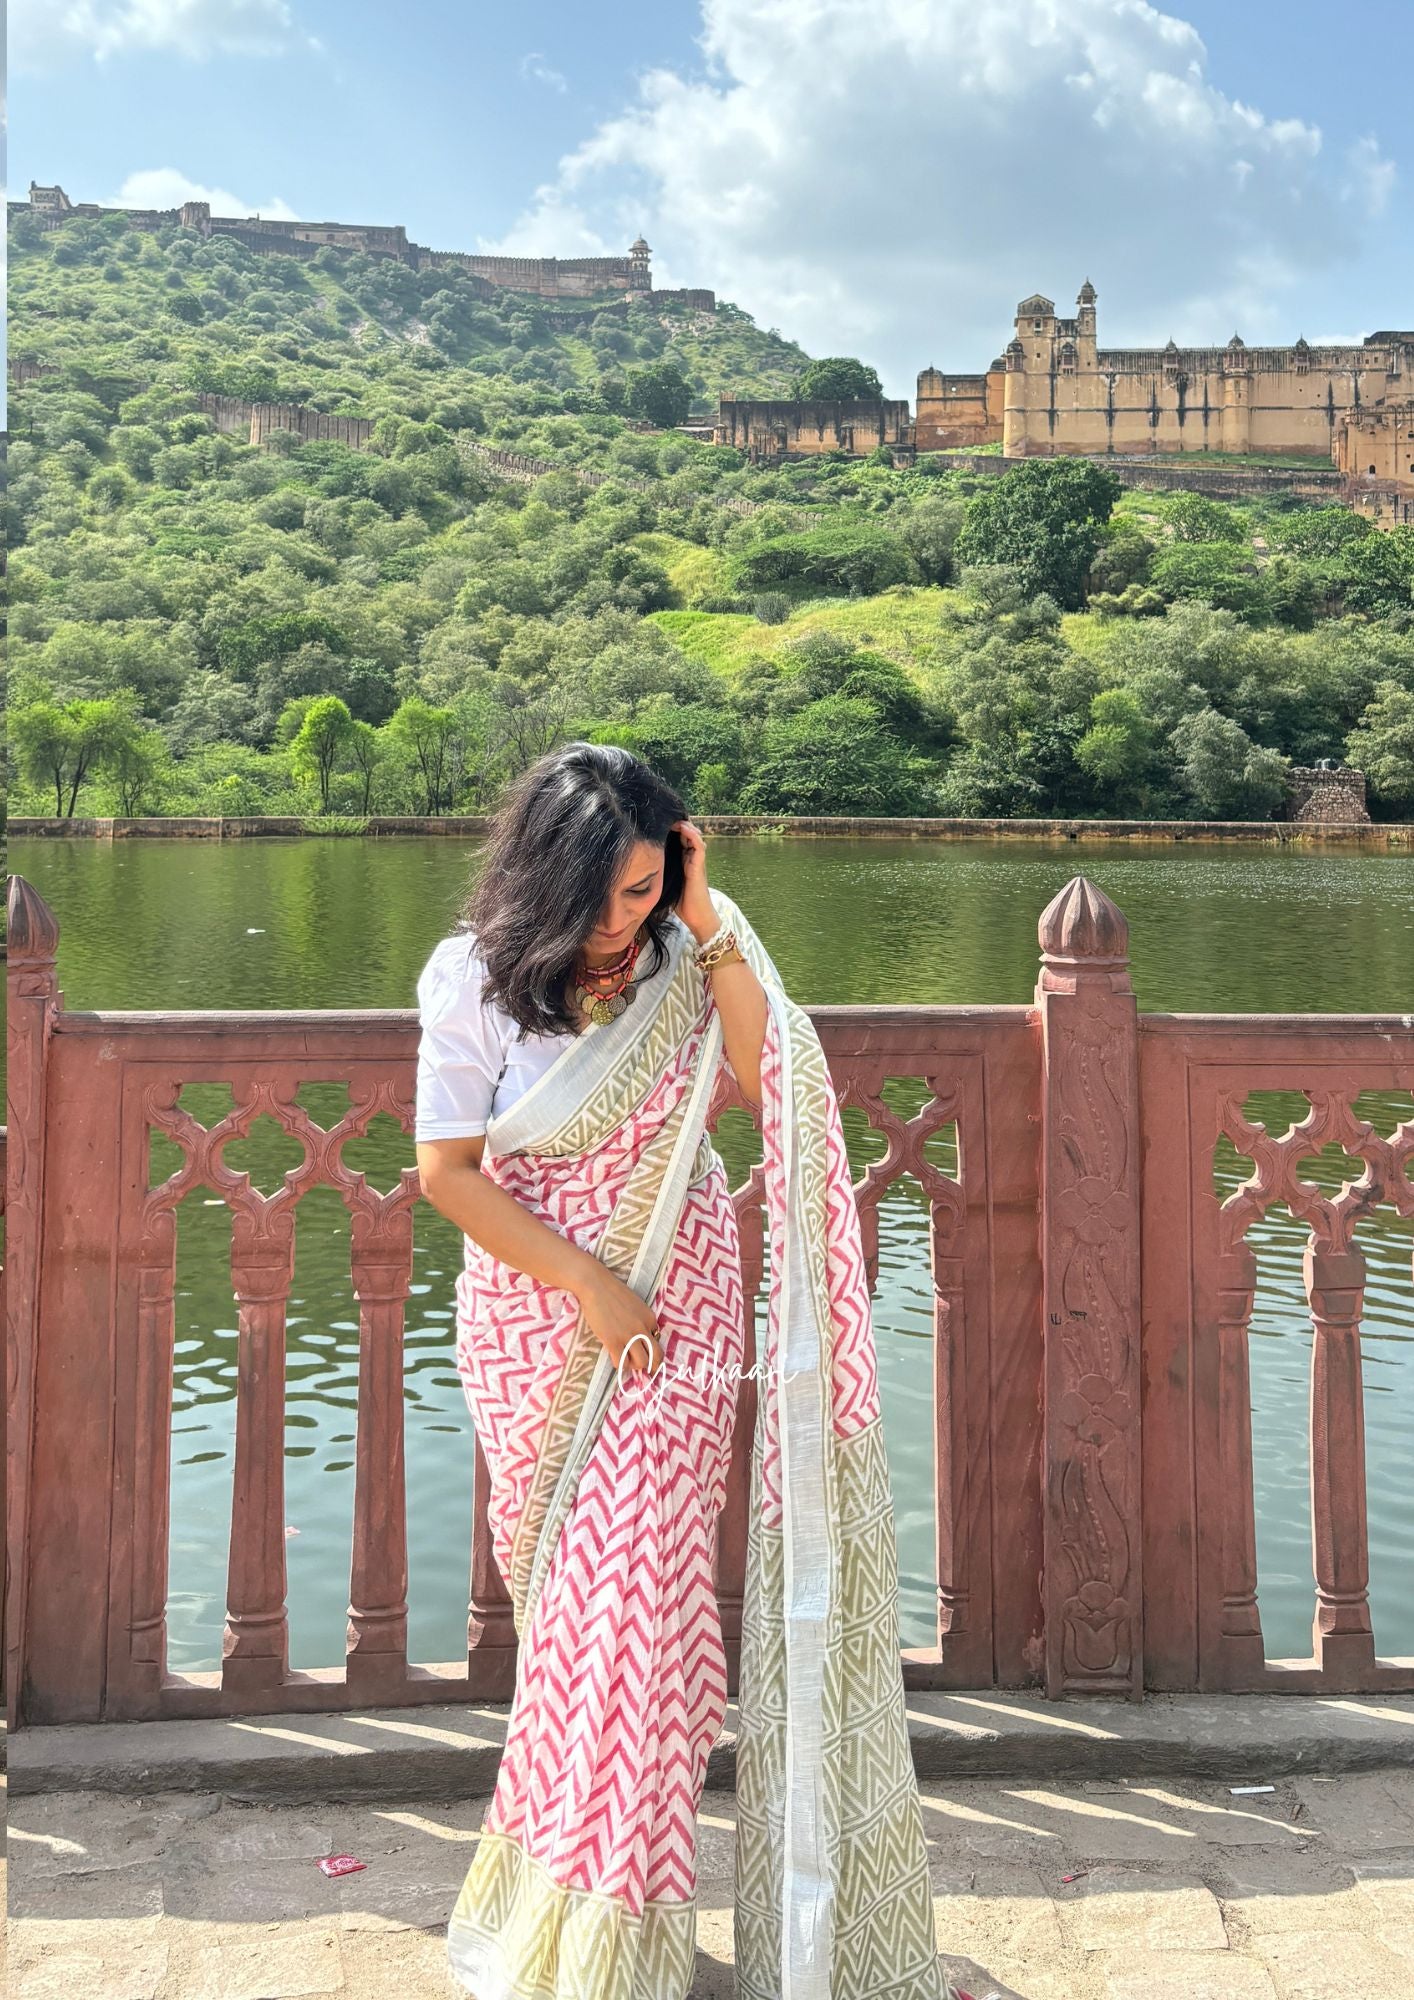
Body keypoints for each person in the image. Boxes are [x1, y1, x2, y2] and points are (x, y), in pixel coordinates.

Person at [415, 743, 955, 2000]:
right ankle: (571, 1918)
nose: (626, 917)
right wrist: (592, 1283)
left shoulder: (684, 954)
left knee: (651, 1618)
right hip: (547, 1318)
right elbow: (447, 1175)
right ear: (547, 882)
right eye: (607, 895)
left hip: (682, 1308)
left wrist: (705, 924)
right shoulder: (471, 979)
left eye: (649, 884)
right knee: (585, 1626)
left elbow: (775, 1089)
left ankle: (623, 1943)